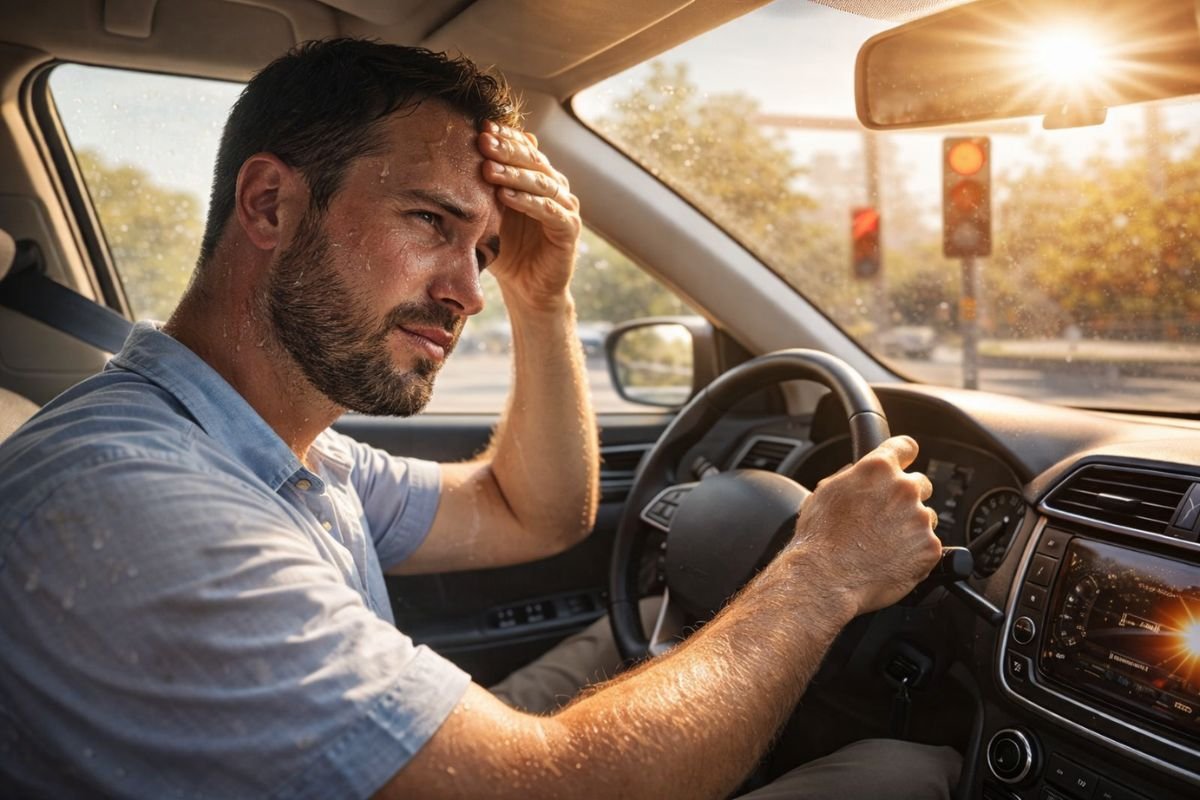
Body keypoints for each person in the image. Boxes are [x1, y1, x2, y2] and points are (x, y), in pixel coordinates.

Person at [0, 39, 958, 798]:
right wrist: (821, 573)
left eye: (487, 250)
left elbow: (530, 510)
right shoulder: (139, 500)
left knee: (628, 638)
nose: (469, 292)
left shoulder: (276, 450)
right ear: (269, 205)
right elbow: (562, 787)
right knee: (907, 770)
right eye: (431, 222)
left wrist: (545, 299)